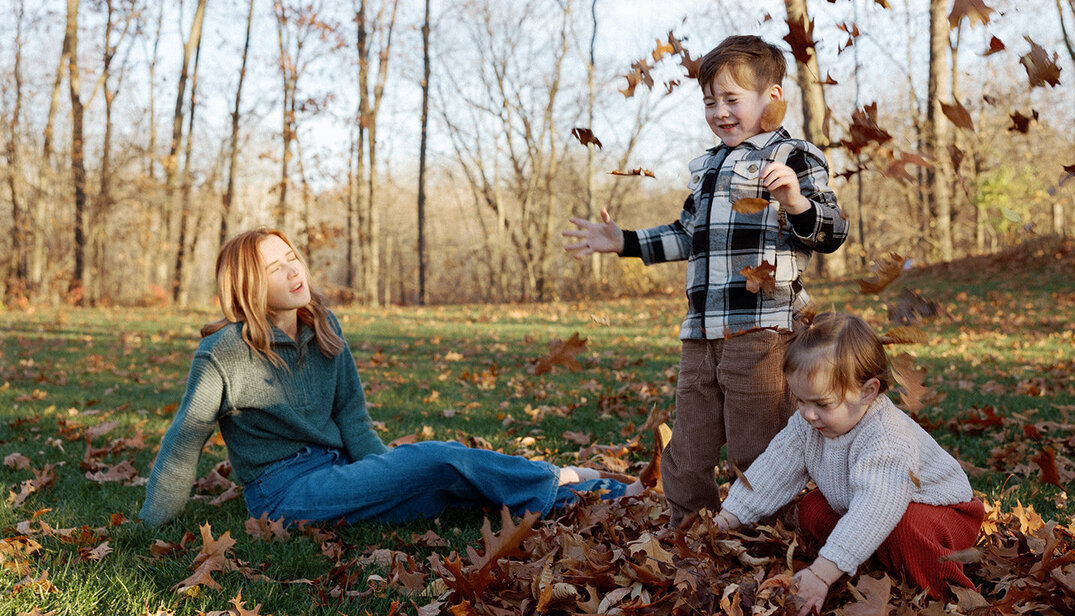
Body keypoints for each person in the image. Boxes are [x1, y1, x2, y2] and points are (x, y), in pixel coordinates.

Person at [139, 227, 637, 528]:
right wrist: (152, 523)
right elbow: (185, 440)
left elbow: (351, 415)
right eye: (274, 268)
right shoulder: (224, 352)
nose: (293, 271)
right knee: (438, 457)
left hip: (336, 472)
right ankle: (556, 476)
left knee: (449, 488)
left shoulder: (323, 328)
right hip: (283, 496)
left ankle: (611, 498)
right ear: (249, 285)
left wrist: (385, 476)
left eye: (291, 257)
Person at [563, 35, 848, 526]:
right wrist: (623, 241)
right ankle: (688, 529)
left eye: (732, 99)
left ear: (772, 99)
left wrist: (797, 203)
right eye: (709, 102)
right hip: (700, 333)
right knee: (689, 446)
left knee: (754, 442)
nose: (719, 111)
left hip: (762, 330)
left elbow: (832, 231)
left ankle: (764, 532)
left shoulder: (795, 157)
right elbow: (686, 234)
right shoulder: (709, 166)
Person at [713, 313, 984, 612]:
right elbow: (774, 470)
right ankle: (870, 561)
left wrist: (821, 573)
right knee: (813, 508)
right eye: (801, 400)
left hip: (941, 513)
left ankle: (947, 597)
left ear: (868, 392)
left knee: (904, 528)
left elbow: (876, 507)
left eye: (822, 403)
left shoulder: (886, 438)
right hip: (868, 509)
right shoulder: (809, 424)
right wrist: (725, 519)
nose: (807, 413)